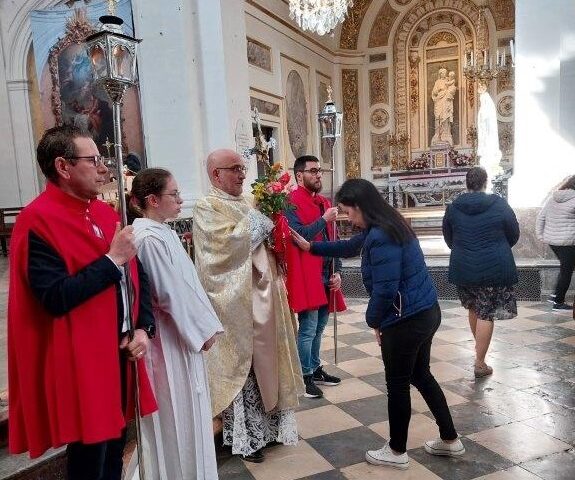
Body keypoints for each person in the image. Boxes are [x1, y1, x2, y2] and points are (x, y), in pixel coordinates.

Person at [7, 125, 157, 480]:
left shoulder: (104, 212)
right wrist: (111, 260)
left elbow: (137, 275)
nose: (104, 169)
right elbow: (55, 297)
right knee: (91, 460)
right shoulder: (38, 220)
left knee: (114, 454)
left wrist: (143, 327)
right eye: (93, 160)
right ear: (63, 166)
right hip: (83, 360)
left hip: (121, 351)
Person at [291, 178, 464, 470]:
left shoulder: (381, 235)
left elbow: (385, 289)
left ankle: (396, 451)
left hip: (405, 319)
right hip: (424, 311)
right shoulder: (386, 224)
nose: (348, 218)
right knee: (421, 375)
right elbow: (350, 246)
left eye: (348, 212)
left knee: (398, 385)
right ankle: (450, 439)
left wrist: (375, 322)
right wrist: (312, 247)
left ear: (361, 206)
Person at [192, 149, 303, 463]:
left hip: (267, 297)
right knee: (245, 366)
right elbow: (221, 251)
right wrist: (261, 218)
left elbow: (269, 241)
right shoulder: (207, 206)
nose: (242, 174)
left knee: (271, 360)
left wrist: (273, 222)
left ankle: (272, 428)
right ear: (216, 174)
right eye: (235, 168)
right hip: (236, 305)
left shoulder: (251, 201)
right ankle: (248, 436)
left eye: (243, 168)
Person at [127, 168, 224, 479]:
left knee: (190, 413)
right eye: (174, 194)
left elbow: (188, 285)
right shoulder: (147, 239)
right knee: (174, 417)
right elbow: (169, 293)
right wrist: (202, 331)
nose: (181, 200)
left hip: (181, 334)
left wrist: (204, 324)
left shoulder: (163, 232)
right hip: (166, 339)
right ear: (153, 200)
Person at [443, 167, 519, 377]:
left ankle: (480, 354)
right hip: (493, 266)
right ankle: (479, 362)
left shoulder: (453, 207)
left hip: (464, 266)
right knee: (486, 312)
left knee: (474, 308)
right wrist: (499, 246)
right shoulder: (499, 204)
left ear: (466, 183)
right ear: (486, 183)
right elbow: (514, 233)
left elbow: (449, 237)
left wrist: (464, 250)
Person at [285, 155, 345, 398]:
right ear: (300, 175)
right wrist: (324, 219)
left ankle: (315, 367)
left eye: (319, 170)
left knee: (319, 327)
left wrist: (338, 270)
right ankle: (304, 376)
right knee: (308, 328)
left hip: (326, 272)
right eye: (313, 171)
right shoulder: (289, 202)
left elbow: (334, 240)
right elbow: (299, 236)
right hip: (307, 273)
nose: (319, 174)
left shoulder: (323, 202)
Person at [536, 175, 575, 311]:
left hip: (553, 241)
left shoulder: (553, 198)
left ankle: (555, 295)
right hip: (567, 241)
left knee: (566, 267)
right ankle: (558, 302)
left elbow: (541, 217)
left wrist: (540, 236)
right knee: (567, 270)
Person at [477, 82, 503, 192]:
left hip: (488, 134)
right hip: (485, 133)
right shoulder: (485, 106)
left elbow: (485, 118)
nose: (481, 103)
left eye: (482, 101)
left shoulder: (487, 106)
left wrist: (482, 117)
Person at [431, 68, 454, 146]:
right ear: (440, 74)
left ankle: (446, 134)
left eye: (445, 73)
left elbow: (452, 89)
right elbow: (434, 92)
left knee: (445, 117)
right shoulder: (437, 82)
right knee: (438, 117)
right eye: (443, 73)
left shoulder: (448, 80)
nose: (444, 74)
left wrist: (448, 92)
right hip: (439, 100)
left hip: (446, 100)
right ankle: (438, 134)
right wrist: (438, 91)